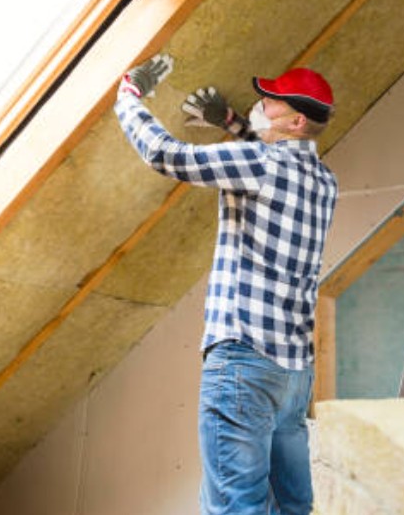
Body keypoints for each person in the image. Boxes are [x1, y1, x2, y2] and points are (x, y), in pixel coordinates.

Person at [114, 53, 338, 515]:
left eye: (271, 101)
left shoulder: (258, 163)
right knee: (292, 506)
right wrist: (233, 122)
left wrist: (128, 96)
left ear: (296, 120)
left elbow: (165, 155)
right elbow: (270, 161)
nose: (262, 102)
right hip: (293, 375)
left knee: (238, 507)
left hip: (243, 363)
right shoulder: (324, 182)